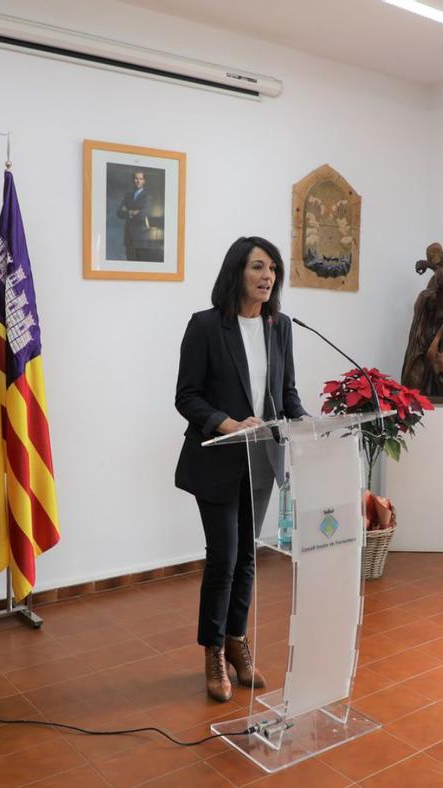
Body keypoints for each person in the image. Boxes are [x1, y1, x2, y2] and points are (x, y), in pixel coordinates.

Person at [174, 236, 306, 702]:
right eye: (257, 267)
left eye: (272, 268)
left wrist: (306, 424)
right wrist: (227, 422)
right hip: (217, 455)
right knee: (224, 557)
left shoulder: (281, 327)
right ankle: (212, 649)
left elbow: (285, 395)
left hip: (261, 458)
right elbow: (186, 396)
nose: (267, 276)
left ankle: (237, 640)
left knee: (248, 557)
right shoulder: (207, 326)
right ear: (237, 273)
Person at [117, 170, 150, 260]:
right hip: (129, 238)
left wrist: (127, 211)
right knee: (129, 266)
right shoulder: (128, 195)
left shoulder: (147, 196)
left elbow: (142, 216)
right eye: (136, 178)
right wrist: (132, 212)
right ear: (133, 180)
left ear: (144, 181)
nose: (138, 181)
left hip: (141, 239)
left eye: (140, 179)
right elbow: (119, 213)